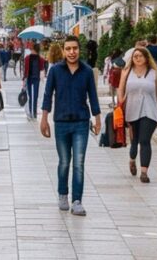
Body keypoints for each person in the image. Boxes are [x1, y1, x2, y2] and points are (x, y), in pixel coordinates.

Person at [40, 36, 101, 216]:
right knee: (65, 161)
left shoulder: (87, 71)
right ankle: (62, 194)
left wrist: (98, 119)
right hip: (61, 122)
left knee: (79, 163)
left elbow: (93, 96)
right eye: (68, 49)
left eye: (75, 48)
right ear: (64, 51)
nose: (72, 52)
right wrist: (44, 119)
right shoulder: (56, 71)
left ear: (78, 50)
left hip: (81, 122)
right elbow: (47, 95)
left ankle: (77, 201)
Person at [118, 47, 157, 183]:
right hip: (132, 110)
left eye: (140, 56)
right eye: (135, 56)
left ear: (146, 58)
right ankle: (132, 159)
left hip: (150, 111)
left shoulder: (153, 73)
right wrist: (120, 105)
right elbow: (121, 90)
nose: (137, 58)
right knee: (135, 140)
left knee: (144, 140)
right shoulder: (127, 72)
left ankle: (144, 172)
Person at [22, 42, 45, 119]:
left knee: (31, 96)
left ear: (33, 49)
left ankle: (32, 112)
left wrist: (24, 80)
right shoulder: (40, 59)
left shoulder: (27, 58)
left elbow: (25, 70)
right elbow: (42, 69)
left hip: (30, 78)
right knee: (35, 96)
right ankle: (33, 112)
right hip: (35, 79)